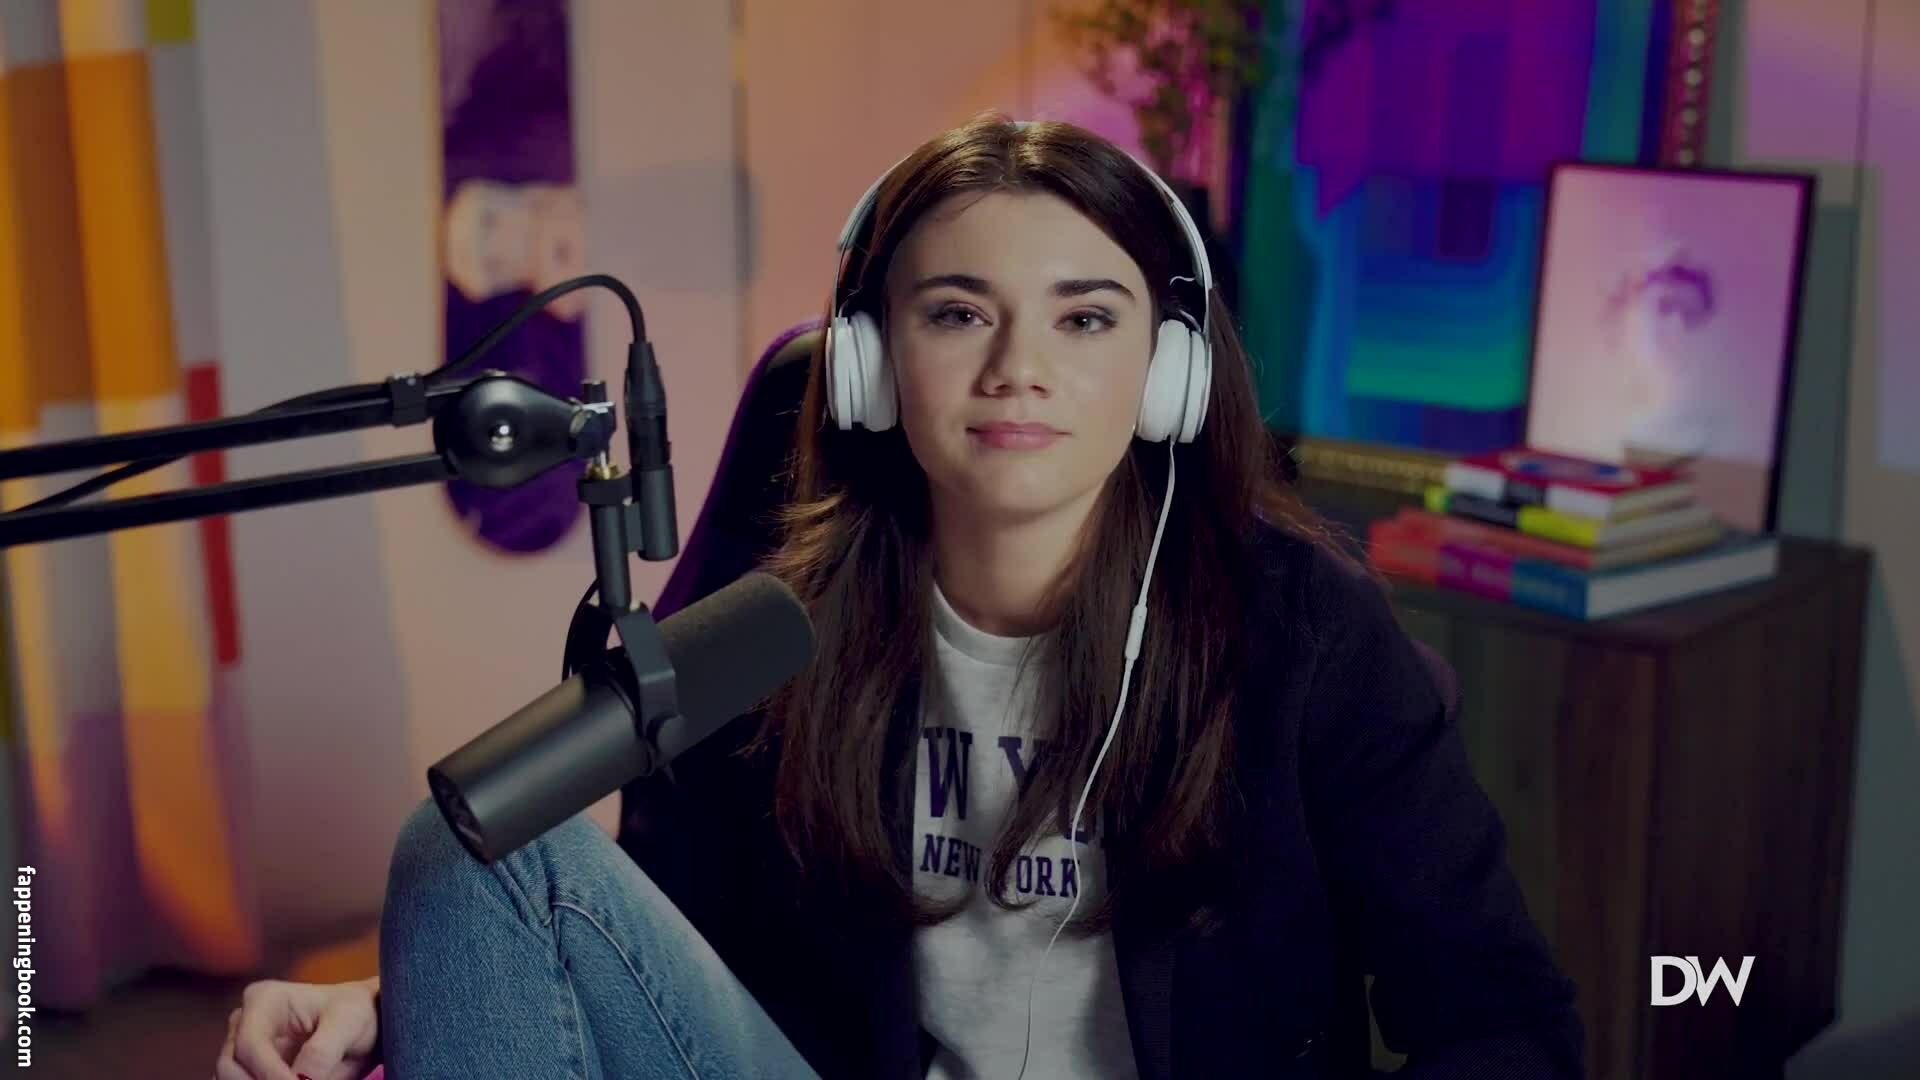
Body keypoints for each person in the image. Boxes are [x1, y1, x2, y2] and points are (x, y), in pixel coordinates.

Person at [212, 114, 1583, 1080]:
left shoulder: (1302, 631)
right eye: (957, 312)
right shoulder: (779, 614)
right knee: (467, 851)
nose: (1018, 367)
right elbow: (651, 931)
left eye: (1086, 317)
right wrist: (424, 1003)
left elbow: (1504, 1019)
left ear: (1169, 374)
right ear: (870, 363)